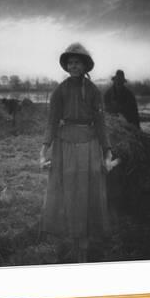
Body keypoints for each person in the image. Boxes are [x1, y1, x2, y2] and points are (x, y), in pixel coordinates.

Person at [39, 43, 112, 262]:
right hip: (64, 146)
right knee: (67, 189)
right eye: (70, 63)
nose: (73, 66)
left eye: (77, 62)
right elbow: (52, 122)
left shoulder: (93, 92)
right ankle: (70, 237)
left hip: (89, 145)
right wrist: (44, 149)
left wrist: (107, 151)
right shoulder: (59, 91)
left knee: (87, 190)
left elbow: (100, 123)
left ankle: (85, 242)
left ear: (85, 66)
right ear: (66, 66)